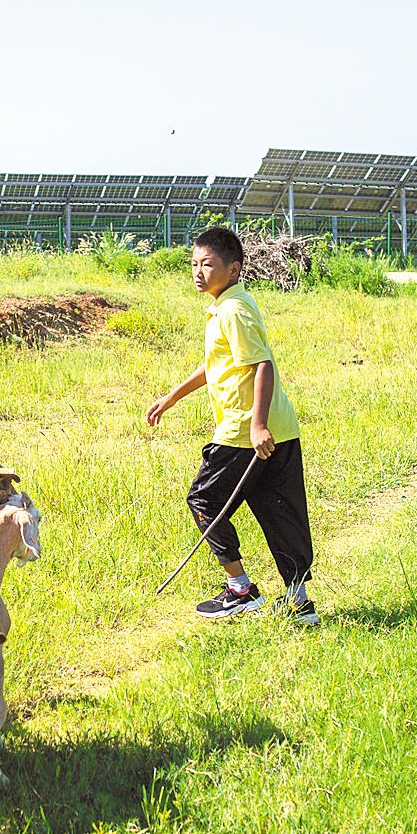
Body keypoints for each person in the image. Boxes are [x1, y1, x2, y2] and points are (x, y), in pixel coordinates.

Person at [145, 226, 317, 624]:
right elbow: (217, 365)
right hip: (279, 427)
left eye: (208, 264)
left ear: (234, 268)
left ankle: (241, 589)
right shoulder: (227, 306)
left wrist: (256, 426)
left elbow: (262, 366)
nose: (198, 272)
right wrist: (171, 397)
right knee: (279, 512)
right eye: (194, 264)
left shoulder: (234, 310)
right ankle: (299, 603)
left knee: (204, 501)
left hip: (246, 432)